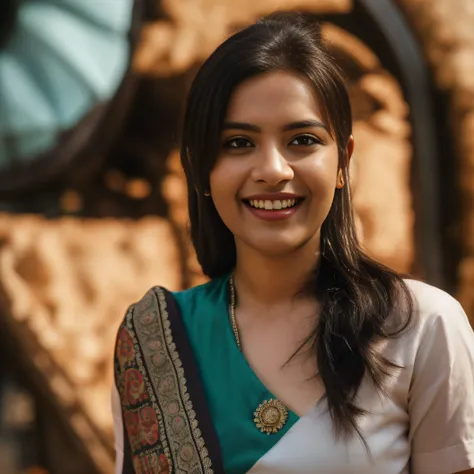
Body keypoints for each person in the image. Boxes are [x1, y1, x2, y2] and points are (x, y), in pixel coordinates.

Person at [111, 12, 474, 474]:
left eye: (302, 140)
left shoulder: (420, 328)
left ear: (343, 161)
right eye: (239, 143)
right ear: (201, 168)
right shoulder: (155, 339)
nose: (273, 170)